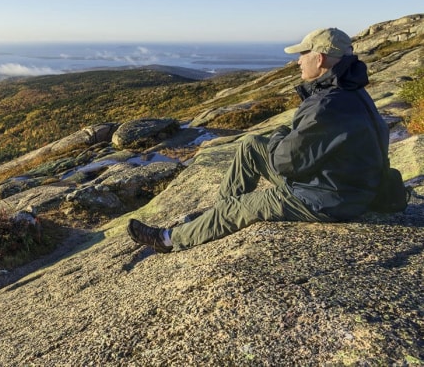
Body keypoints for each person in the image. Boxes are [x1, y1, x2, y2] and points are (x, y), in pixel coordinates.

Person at [127, 27, 389, 253]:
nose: (298, 62)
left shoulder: (327, 104)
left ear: (319, 59)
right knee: (251, 144)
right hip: (341, 184)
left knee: (240, 207)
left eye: (302, 55)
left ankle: (167, 240)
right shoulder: (350, 92)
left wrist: (280, 134)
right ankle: (217, 215)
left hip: (329, 198)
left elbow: (286, 163)